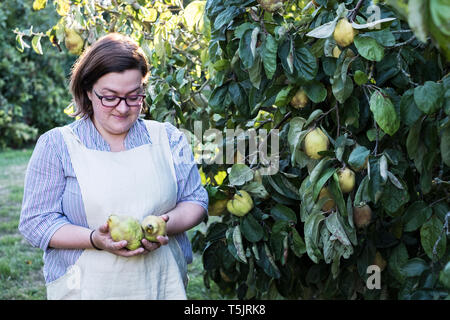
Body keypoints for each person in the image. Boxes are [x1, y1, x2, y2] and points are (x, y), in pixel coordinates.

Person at [19, 33, 208, 300]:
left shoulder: (168, 138)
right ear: (88, 91)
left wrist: (166, 224)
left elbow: (196, 200)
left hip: (162, 287)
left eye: (134, 96)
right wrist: (96, 239)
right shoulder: (58, 145)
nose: (122, 108)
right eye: (110, 97)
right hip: (87, 290)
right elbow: (36, 222)